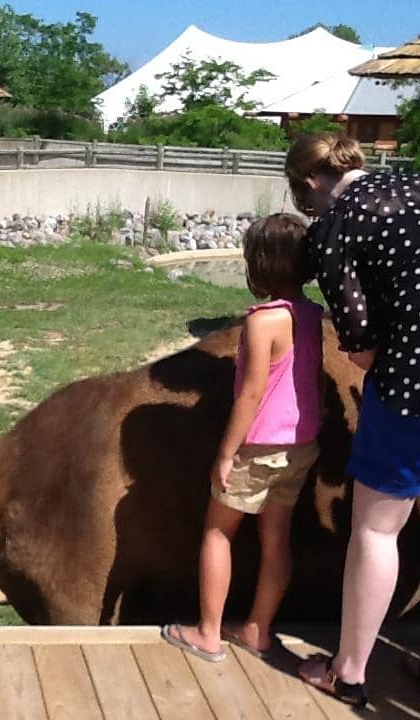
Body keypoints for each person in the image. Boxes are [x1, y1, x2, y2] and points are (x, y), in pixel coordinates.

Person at [286, 133, 420, 707]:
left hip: (410, 390)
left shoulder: (336, 228)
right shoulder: (414, 182)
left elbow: (361, 349)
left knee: (377, 531)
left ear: (311, 182)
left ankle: (350, 672)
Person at [162, 213, 324, 663]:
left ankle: (207, 633)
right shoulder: (311, 314)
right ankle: (257, 629)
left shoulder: (262, 322)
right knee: (277, 538)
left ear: (261, 264)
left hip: (258, 447)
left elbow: (252, 394)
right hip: (301, 444)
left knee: (218, 532)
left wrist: (225, 453)